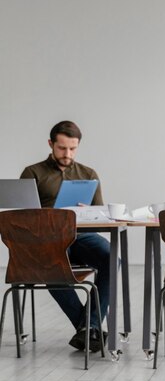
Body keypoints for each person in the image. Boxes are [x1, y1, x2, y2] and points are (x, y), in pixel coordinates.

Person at [21, 120, 111, 353]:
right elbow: (20, 218)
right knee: (50, 264)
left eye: (73, 148)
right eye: (62, 148)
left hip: (80, 235)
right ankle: (89, 328)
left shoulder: (88, 173)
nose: (67, 154)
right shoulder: (33, 173)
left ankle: (87, 328)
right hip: (47, 239)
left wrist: (86, 212)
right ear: (51, 144)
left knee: (113, 257)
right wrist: (47, 216)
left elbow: (100, 216)